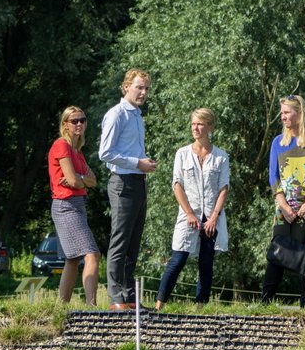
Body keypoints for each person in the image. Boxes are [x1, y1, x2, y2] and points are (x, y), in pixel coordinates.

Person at [260, 94, 305, 307]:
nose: (282, 117)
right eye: (281, 113)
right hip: (285, 208)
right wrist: (283, 206)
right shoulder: (277, 143)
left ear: (300, 114)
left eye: (286, 112)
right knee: (278, 251)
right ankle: (265, 303)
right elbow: (273, 176)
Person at [155, 108, 230, 308]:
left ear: (210, 127)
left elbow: (224, 188)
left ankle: (200, 307)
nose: (195, 128)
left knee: (206, 263)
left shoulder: (221, 157)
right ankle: (159, 305)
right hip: (189, 214)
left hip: (211, 216)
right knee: (178, 259)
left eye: (200, 124)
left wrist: (214, 217)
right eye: (193, 124)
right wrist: (189, 212)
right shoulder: (182, 154)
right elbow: (176, 184)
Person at [99, 69, 158, 310]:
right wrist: (137, 163)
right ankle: (116, 298)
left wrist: (144, 163)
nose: (143, 92)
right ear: (126, 87)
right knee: (120, 240)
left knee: (134, 242)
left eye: (146, 88)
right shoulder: (117, 114)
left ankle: (130, 296)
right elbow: (105, 153)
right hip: (123, 183)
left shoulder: (136, 115)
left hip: (138, 181)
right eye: (139, 87)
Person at [48, 105, 100, 306]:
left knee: (71, 259)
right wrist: (80, 179)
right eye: (74, 121)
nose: (79, 124)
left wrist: (79, 178)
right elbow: (75, 181)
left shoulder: (77, 151)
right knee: (92, 253)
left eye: (82, 120)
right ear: (65, 125)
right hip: (65, 205)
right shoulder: (62, 145)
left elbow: (92, 180)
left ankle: (61, 307)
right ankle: (92, 306)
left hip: (78, 204)